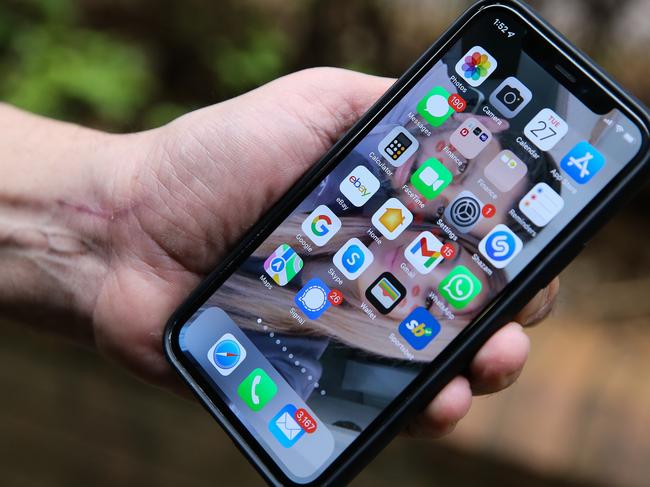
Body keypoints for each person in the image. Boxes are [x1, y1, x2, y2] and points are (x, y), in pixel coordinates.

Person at [0, 67, 558, 438]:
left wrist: (105, 251)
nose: (428, 261)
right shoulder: (330, 181)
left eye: (436, 300)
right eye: (465, 175)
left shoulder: (290, 374)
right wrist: (119, 216)